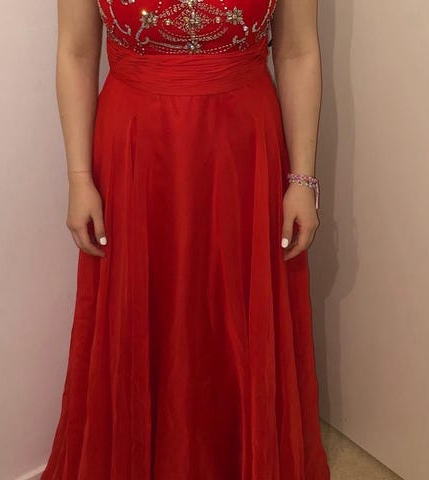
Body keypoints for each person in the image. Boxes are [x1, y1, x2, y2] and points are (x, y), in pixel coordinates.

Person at [41, 0, 330, 478]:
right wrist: (79, 177)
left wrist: (302, 179)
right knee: (140, 311)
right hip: (136, 152)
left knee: (236, 312)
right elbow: (75, 52)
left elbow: (298, 51)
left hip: (243, 154)